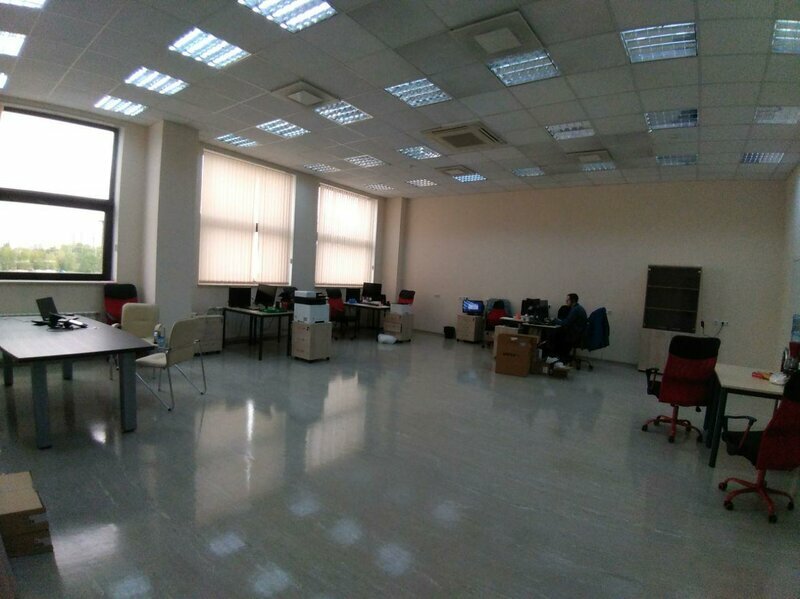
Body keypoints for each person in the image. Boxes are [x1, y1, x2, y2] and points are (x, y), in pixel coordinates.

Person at [542, 293, 588, 365]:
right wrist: (559, 321)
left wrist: (554, 320)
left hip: (574, 335)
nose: (566, 301)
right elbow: (568, 321)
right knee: (555, 333)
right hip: (577, 333)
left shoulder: (575, 310)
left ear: (573, 300)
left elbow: (566, 323)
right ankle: (557, 356)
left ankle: (555, 356)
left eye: (568, 300)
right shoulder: (578, 308)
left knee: (552, 334)